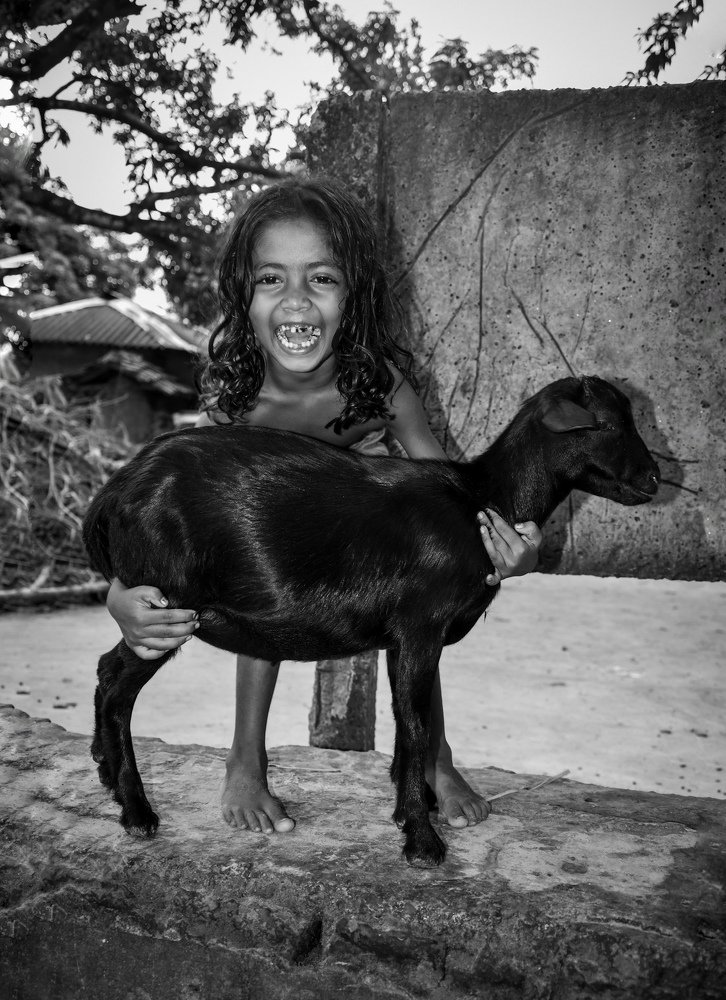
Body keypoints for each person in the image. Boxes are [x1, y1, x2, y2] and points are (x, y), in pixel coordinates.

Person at [106, 179, 542, 836]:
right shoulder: (234, 404)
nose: (296, 300)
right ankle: (245, 760)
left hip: (366, 539)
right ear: (243, 296)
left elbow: (447, 494)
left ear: (353, 294)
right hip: (281, 543)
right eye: (271, 279)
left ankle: (434, 758)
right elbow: (180, 512)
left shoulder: (378, 385)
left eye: (322, 278)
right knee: (256, 576)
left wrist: (514, 552)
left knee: (418, 608)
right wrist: (120, 595)